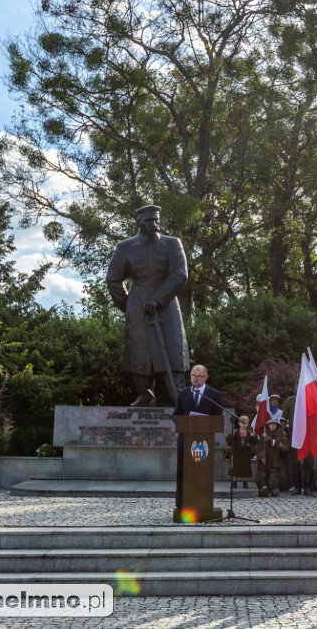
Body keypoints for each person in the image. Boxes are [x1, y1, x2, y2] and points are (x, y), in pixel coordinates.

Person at [106, 205, 190, 407]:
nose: (154, 224)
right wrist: (128, 306)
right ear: (139, 223)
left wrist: (159, 299)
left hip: (167, 306)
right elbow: (113, 279)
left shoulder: (172, 243)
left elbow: (180, 274)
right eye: (149, 221)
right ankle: (145, 394)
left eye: (156, 220)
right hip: (138, 309)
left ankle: (179, 395)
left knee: (173, 350)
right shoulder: (125, 247)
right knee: (139, 352)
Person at [173, 365, 223, 507]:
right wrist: (185, 422)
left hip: (204, 443)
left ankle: (203, 503)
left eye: (199, 376)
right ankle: (182, 503)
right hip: (185, 441)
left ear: (205, 377)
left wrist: (204, 422)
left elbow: (218, 417)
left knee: (203, 473)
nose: (195, 379)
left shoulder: (214, 395)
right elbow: (175, 415)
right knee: (183, 471)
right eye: (193, 375)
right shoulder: (183, 393)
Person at [257, 418, 290, 496]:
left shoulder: (278, 435)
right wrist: (261, 456)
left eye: (274, 425)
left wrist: (269, 438)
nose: (272, 426)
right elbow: (259, 447)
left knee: (273, 473)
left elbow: (277, 444)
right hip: (264, 458)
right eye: (271, 424)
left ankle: (273, 488)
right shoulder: (262, 435)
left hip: (274, 458)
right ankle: (263, 487)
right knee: (263, 473)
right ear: (267, 425)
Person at [227, 415, 255, 489]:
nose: (244, 424)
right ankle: (234, 482)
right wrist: (231, 436)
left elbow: (254, 443)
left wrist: (253, 437)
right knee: (235, 468)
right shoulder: (235, 432)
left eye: (246, 423)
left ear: (248, 424)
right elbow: (229, 442)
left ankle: (245, 482)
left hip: (246, 454)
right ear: (239, 423)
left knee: (245, 469)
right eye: (242, 422)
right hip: (236, 453)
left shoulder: (249, 433)